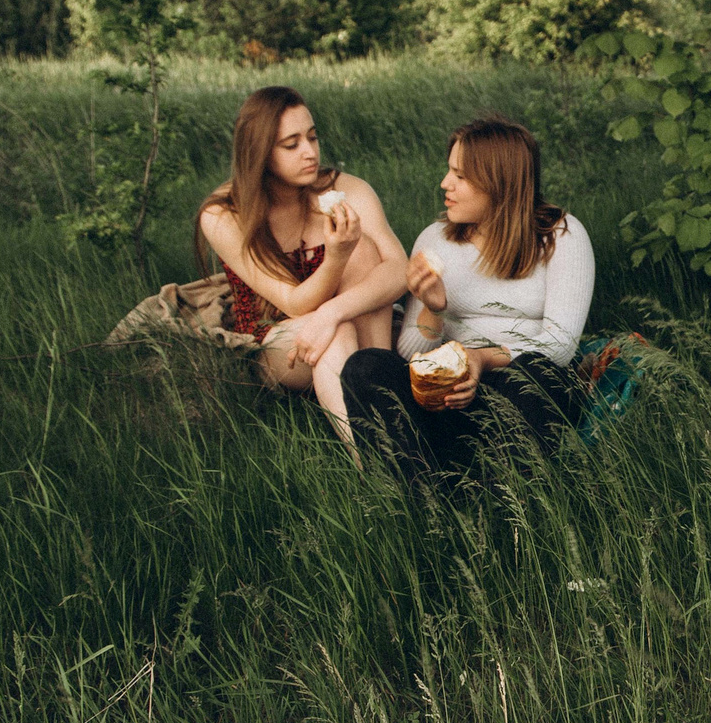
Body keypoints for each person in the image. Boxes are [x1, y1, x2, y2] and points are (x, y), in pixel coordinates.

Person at [340, 115, 594, 474]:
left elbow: (560, 345)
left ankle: (506, 500)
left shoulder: (561, 235)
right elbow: (411, 351)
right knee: (366, 366)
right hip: (447, 395)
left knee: (536, 372)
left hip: (519, 392)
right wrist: (433, 309)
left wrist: (482, 359)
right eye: (449, 171)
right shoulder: (434, 239)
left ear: (498, 182)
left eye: (460, 176)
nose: (445, 184)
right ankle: (421, 496)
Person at [197, 86, 408, 445]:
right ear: (260, 152)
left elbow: (399, 269)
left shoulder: (345, 188)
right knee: (339, 326)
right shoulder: (223, 213)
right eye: (291, 144)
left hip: (346, 325)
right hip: (277, 339)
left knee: (364, 253)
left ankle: (386, 395)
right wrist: (336, 256)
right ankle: (373, 459)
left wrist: (331, 313)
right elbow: (293, 304)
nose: (310, 152)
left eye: (312, 137)